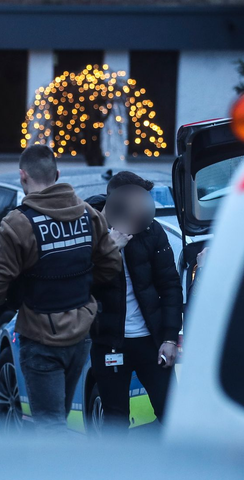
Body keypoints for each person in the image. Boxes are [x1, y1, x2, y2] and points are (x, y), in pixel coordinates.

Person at [0, 145, 122, 434]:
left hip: (40, 338)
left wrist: (19, 295)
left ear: (23, 176)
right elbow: (111, 264)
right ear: (57, 174)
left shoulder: (17, 224)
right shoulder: (88, 215)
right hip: (81, 333)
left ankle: (55, 478)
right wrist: (81, 286)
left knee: (49, 424)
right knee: (59, 419)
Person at [89, 171, 182, 432]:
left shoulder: (152, 231)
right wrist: (109, 249)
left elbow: (170, 286)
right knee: (115, 421)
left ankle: (173, 471)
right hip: (109, 342)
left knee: (172, 415)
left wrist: (169, 338)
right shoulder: (90, 229)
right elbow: (80, 284)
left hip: (150, 342)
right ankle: (118, 473)